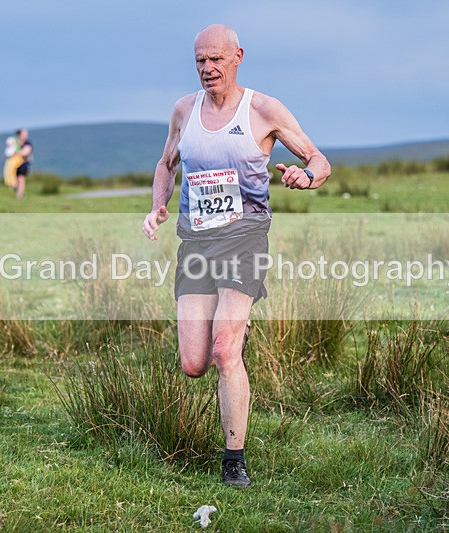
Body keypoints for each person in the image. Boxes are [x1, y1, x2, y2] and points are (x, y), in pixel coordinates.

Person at [142, 24, 330, 487]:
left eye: (216, 60)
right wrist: (157, 206)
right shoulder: (184, 110)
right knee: (193, 362)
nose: (207, 68)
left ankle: (234, 461)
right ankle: (235, 342)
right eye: (200, 61)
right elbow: (167, 164)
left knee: (226, 350)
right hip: (197, 242)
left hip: (245, 237)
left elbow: (319, 161)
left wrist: (304, 178)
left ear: (237, 56)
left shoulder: (263, 110)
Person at [14, 129, 33, 199]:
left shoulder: (27, 143)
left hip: (23, 164)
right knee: (14, 181)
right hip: (14, 164)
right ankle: (19, 193)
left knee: (21, 179)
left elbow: (26, 152)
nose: (26, 135)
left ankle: (19, 196)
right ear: (19, 135)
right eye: (24, 134)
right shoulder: (15, 143)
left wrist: (16, 153)